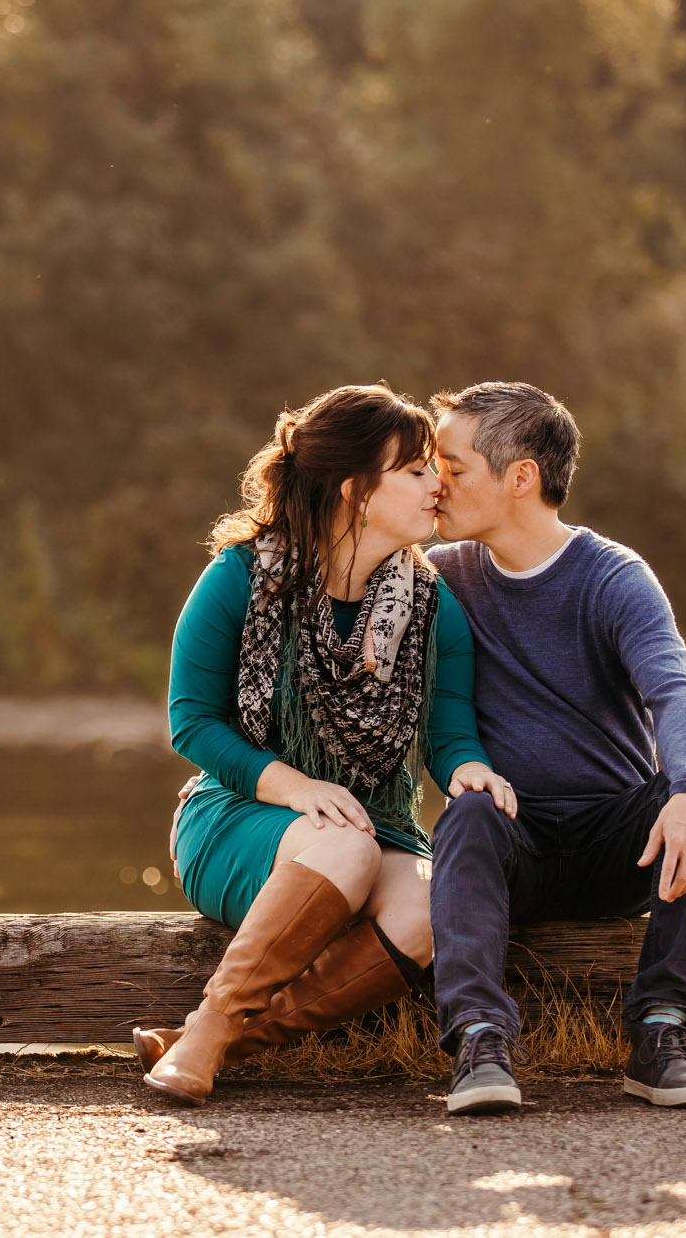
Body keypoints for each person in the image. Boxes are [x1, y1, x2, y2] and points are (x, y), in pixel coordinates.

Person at [136, 384, 512, 1106]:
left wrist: (472, 772)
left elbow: (451, 734)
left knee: (433, 904)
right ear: (356, 489)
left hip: (378, 824)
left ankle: (221, 1037)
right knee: (343, 843)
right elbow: (192, 723)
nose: (439, 483)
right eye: (415, 470)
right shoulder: (241, 578)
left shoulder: (435, 609)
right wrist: (299, 789)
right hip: (242, 819)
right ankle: (214, 1025)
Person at [423, 381, 686, 1114]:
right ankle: (478, 1039)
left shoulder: (613, 577)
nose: (438, 483)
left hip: (618, 849)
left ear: (521, 477)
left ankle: (662, 1034)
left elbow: (675, 690)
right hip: (514, 842)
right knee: (468, 808)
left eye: (455, 466)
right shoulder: (444, 578)